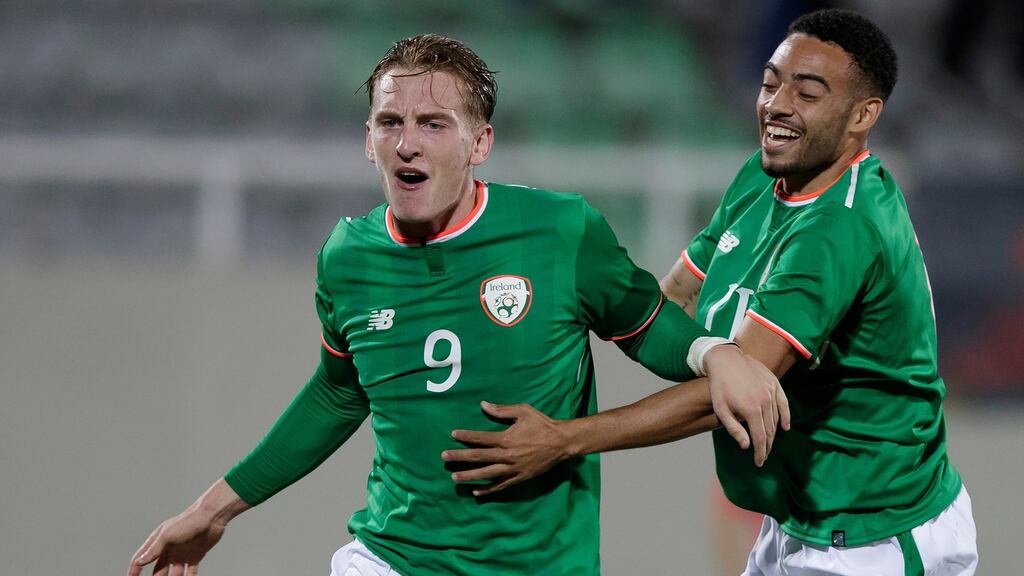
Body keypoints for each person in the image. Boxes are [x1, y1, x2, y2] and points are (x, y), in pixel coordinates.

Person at [127, 34, 786, 576]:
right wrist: (214, 508)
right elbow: (337, 393)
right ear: (368, 139)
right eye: (391, 123)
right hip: (392, 558)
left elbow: (647, 328)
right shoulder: (347, 258)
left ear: (480, 144)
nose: (408, 143)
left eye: (433, 124)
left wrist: (713, 353)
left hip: (539, 566)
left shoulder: (558, 232)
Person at [443, 9, 978, 575]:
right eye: (771, 83)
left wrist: (565, 440)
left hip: (876, 541)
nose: (777, 105)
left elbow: (739, 391)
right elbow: (670, 302)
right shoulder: (764, 175)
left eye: (808, 92)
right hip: (802, 521)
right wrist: (543, 317)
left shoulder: (838, 230)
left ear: (863, 115)